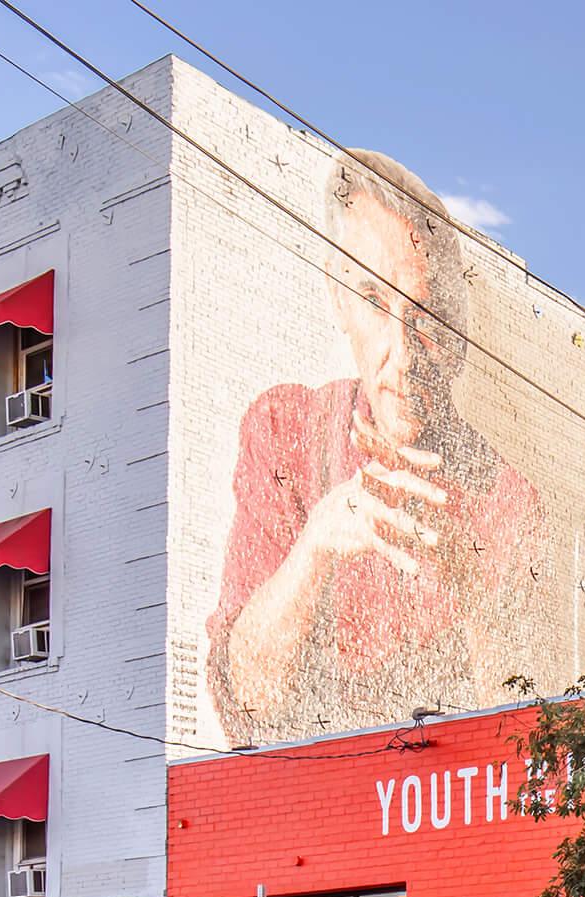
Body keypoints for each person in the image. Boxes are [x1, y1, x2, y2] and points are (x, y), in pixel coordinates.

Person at [206, 151, 543, 744]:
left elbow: (520, 740)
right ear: (338, 302)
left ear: (460, 331)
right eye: (373, 301)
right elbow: (247, 701)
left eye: (427, 316)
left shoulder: (509, 501)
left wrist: (471, 591)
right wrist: (315, 547)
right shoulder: (286, 431)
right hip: (307, 813)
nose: (403, 354)